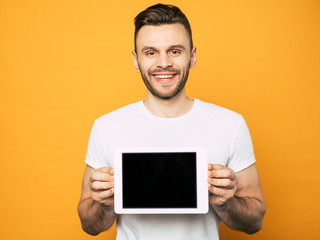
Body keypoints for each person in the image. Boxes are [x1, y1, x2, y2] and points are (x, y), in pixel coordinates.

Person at [78, 3, 266, 239]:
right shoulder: (106, 127)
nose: (164, 63)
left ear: (193, 57)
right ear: (136, 61)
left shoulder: (231, 124)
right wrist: (104, 203)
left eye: (175, 51)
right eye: (151, 52)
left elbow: (255, 222)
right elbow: (89, 224)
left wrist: (225, 202)